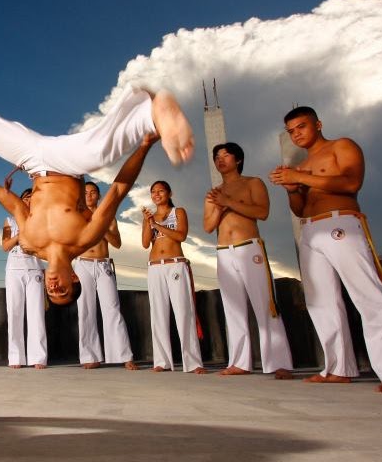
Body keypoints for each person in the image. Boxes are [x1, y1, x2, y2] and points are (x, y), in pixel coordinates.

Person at [0, 61, 193, 305]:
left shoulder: (30, 244)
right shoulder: (84, 237)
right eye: (61, 291)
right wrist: (143, 147)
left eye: (51, 293)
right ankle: (152, 114)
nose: (54, 287)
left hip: (31, 162)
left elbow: (16, 206)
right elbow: (117, 190)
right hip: (66, 163)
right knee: (99, 152)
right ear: (74, 280)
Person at [268, 106, 382, 393]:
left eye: (301, 127)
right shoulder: (302, 166)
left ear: (318, 124)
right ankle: (338, 368)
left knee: (369, 295)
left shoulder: (342, 146)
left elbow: (351, 182)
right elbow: (299, 210)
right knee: (321, 302)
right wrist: (291, 188)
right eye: (291, 131)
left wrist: (300, 178)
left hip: (341, 224)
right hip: (310, 230)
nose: (296, 134)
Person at [204, 143, 293, 379]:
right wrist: (218, 206)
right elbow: (208, 226)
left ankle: (279, 362)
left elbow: (262, 212)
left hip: (249, 247)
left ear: (239, 160)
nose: (220, 159)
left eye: (226, 155)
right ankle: (240, 362)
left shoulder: (253, 183)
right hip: (224, 250)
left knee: (265, 304)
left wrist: (228, 201)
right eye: (216, 157)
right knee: (233, 308)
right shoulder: (214, 192)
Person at [141, 181, 205, 373]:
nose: (156, 194)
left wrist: (157, 225)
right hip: (155, 266)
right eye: (153, 192)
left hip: (175, 263)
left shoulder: (178, 212)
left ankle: (193, 362)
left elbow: (181, 236)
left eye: (160, 190)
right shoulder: (150, 217)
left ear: (169, 193)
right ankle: (162, 361)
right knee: (158, 314)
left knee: (183, 312)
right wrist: (147, 223)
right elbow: (145, 244)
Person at [75, 182, 137, 370]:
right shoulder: (76, 217)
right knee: (85, 310)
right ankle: (90, 356)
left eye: (93, 192)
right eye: (86, 193)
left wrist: (99, 224)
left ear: (99, 196)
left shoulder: (108, 216)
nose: (90, 195)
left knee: (112, 308)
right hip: (82, 263)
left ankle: (124, 356)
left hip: (103, 265)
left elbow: (117, 243)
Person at [2, 188, 48, 369]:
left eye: (32, 198)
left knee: (36, 313)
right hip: (14, 269)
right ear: (20, 201)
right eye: (26, 198)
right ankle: (16, 358)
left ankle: (39, 358)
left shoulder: (43, 222)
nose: (29, 201)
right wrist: (19, 235)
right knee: (14, 312)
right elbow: (5, 245)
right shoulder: (10, 220)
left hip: (35, 269)